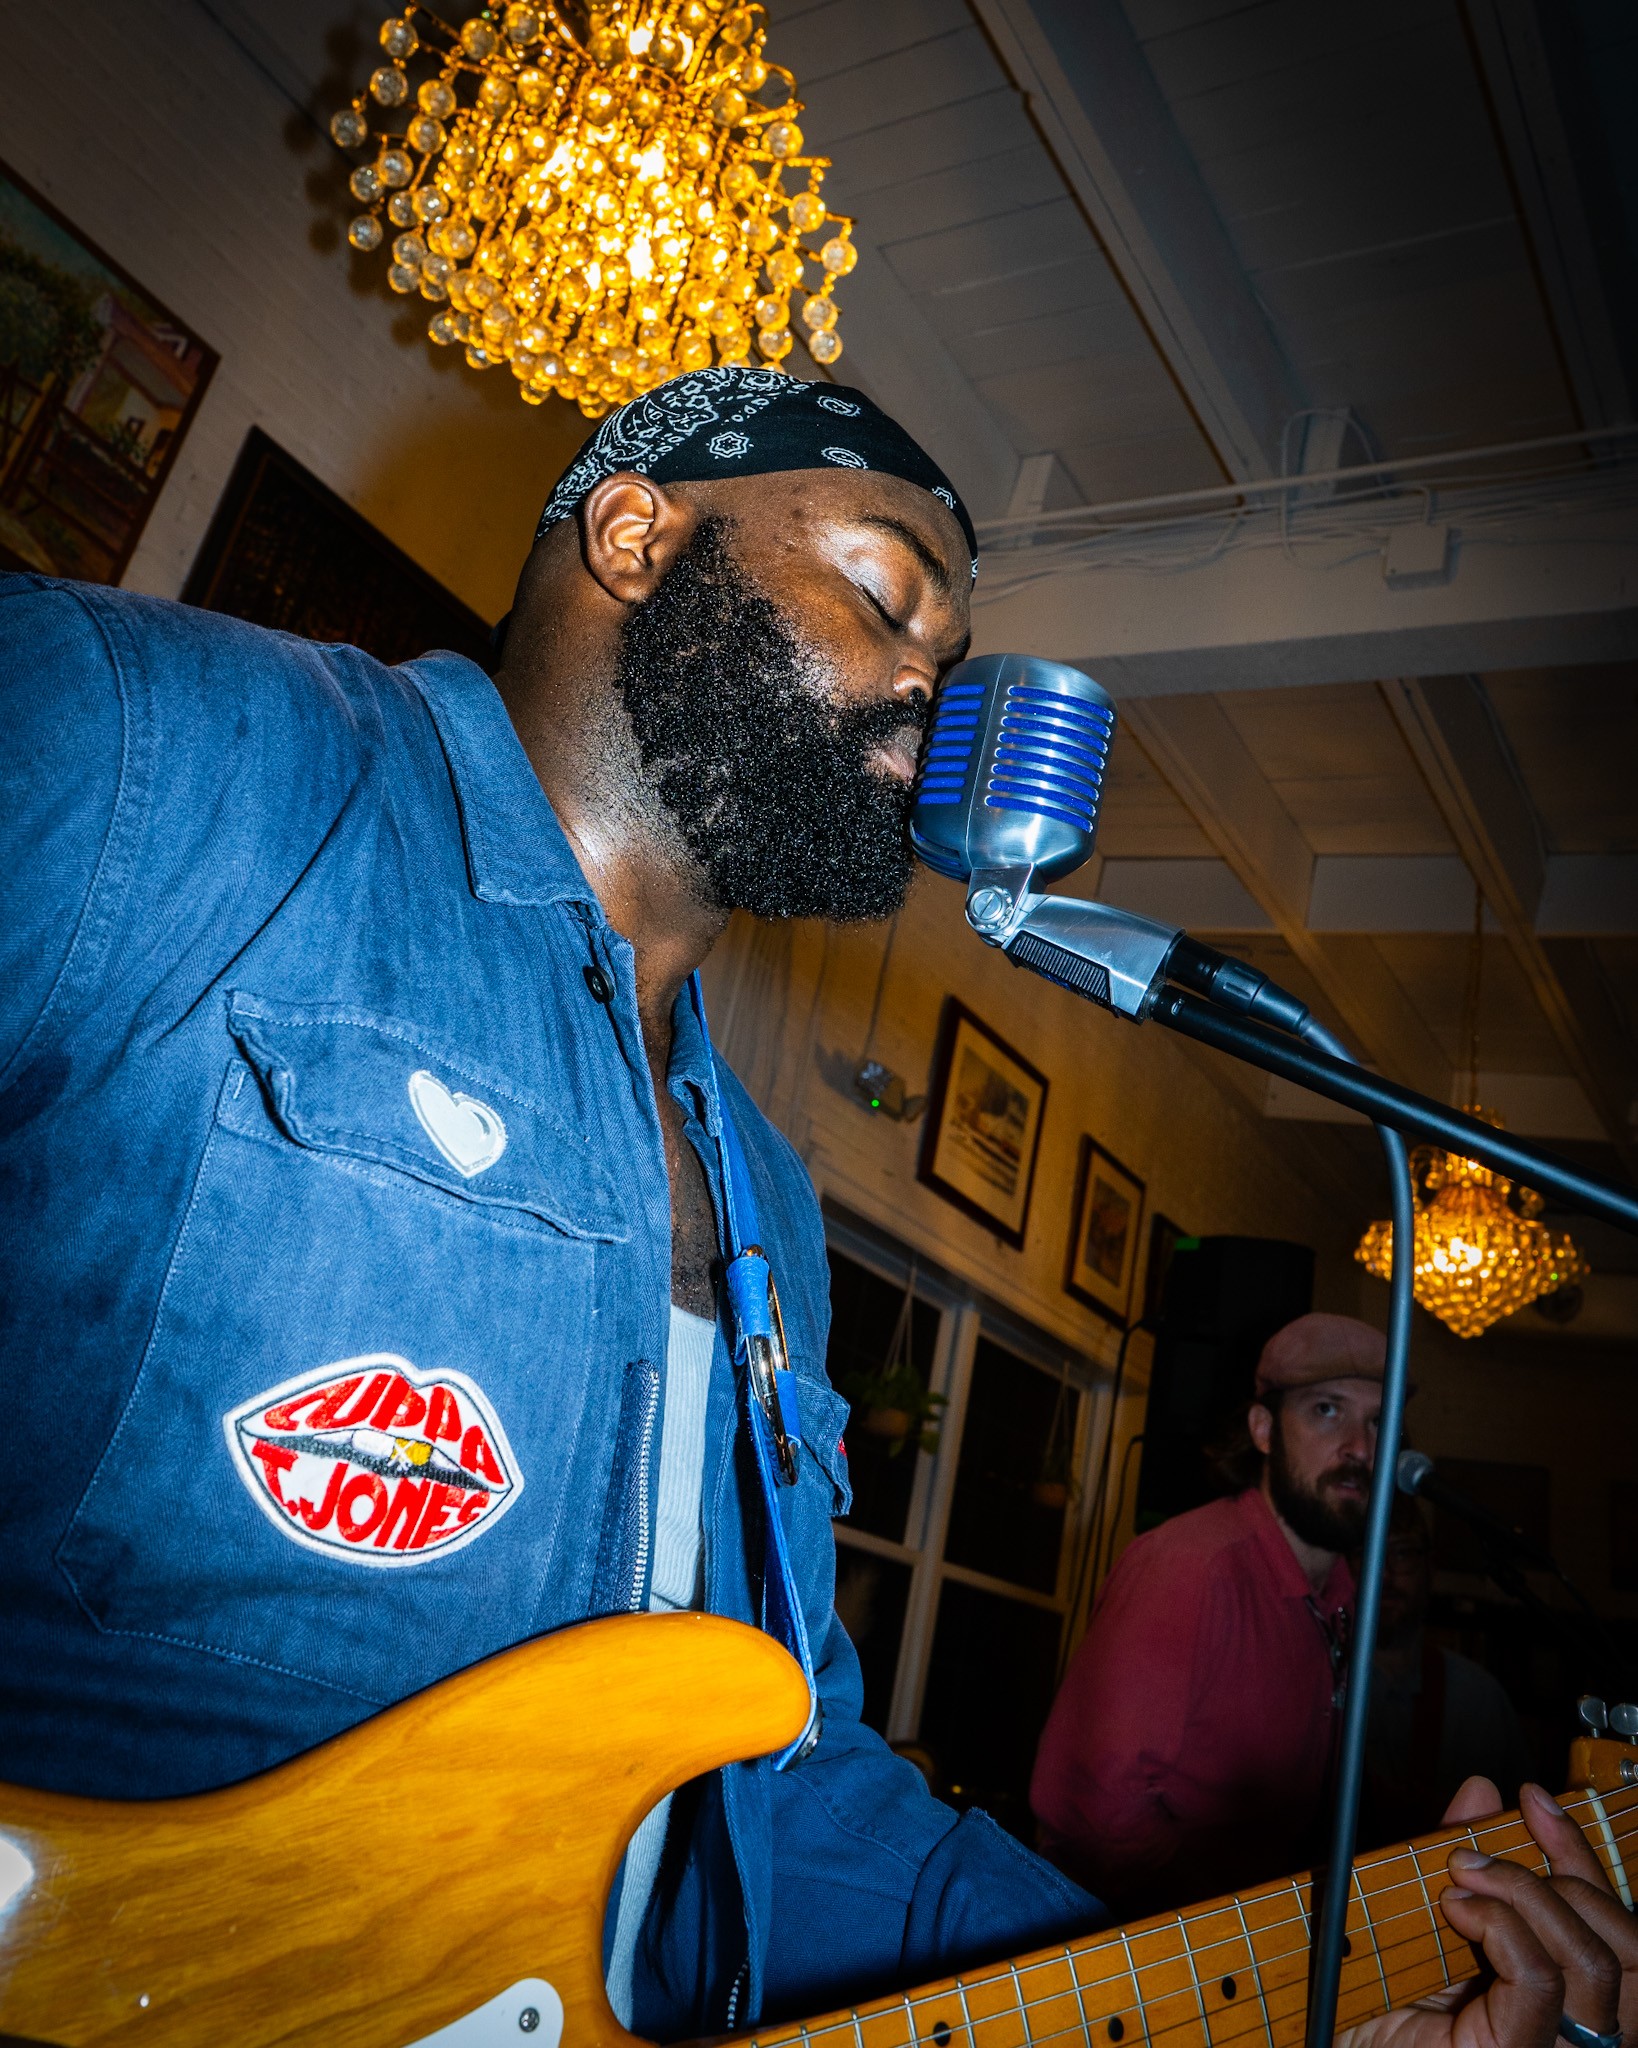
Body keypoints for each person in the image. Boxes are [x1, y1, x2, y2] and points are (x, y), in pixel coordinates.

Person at [2, 369, 1633, 2048]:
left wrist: (1286, 2001)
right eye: (883, 591)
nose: (929, 686)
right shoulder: (151, 747)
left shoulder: (768, 1204)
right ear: (635, 535)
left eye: (948, 651)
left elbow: (776, 1789)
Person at [1031, 1311, 1386, 1915]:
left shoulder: (1348, 1596)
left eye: (1378, 1421)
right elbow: (1091, 1810)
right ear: (1264, 1430)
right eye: (1327, 1410)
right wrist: (1242, 1924)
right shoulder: (1191, 1566)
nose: (1360, 1446)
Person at [1362, 1496, 1535, 1847]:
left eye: (1402, 1553)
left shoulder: (1479, 1700)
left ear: (1430, 1567)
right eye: (1366, 1552)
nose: (1385, 1573)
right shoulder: (1317, 1693)